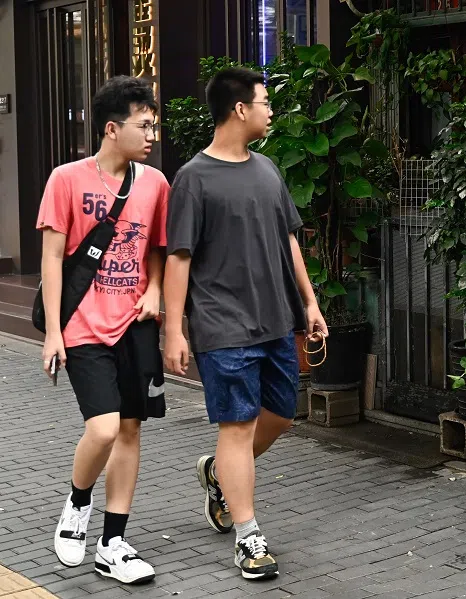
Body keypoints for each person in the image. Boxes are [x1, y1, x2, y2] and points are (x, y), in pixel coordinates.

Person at [163, 66, 328, 580]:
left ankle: (218, 475)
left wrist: (310, 302)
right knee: (236, 426)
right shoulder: (192, 178)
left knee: (279, 415)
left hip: (275, 317)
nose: (270, 109)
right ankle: (248, 536)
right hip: (222, 323)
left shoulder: (268, 169)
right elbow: (179, 258)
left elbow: (289, 241)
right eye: (264, 101)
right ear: (240, 109)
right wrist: (175, 329)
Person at [39, 76, 168, 583]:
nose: (152, 134)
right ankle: (77, 503)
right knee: (105, 427)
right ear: (112, 129)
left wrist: (155, 290)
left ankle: (113, 541)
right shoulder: (66, 179)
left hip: (134, 324)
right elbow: (52, 258)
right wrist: (53, 331)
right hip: (83, 325)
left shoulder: (155, 183)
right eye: (143, 125)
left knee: (131, 430)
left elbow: (157, 246)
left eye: (154, 125)